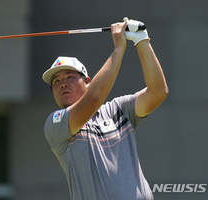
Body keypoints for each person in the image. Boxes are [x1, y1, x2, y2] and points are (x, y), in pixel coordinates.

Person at [42, 17, 168, 200]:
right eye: (56, 81)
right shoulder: (55, 123)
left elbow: (158, 92)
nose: (62, 84)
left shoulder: (119, 109)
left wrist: (142, 40)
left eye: (69, 77)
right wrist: (118, 49)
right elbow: (93, 99)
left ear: (87, 82)